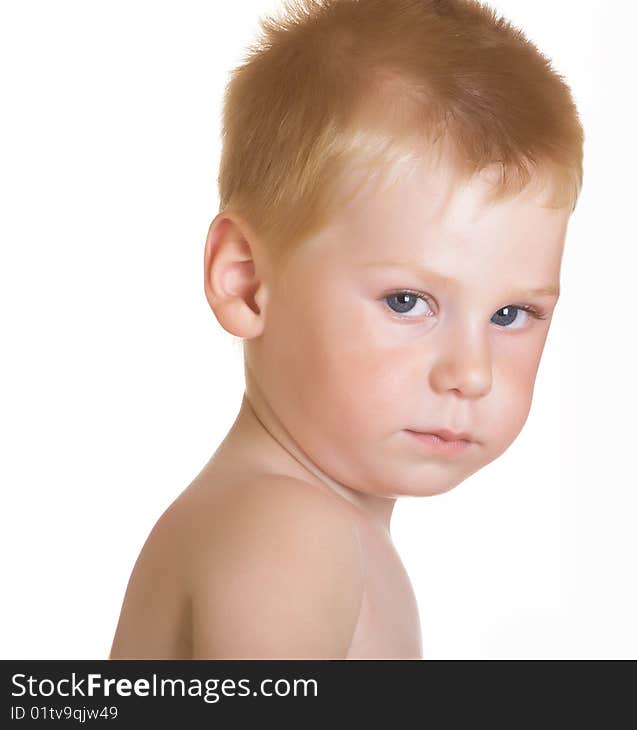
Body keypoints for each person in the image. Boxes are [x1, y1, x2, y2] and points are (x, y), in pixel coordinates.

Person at [110, 0, 583, 659]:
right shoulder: (288, 536)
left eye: (511, 315)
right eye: (407, 302)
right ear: (246, 281)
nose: (471, 373)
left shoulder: (312, 528)